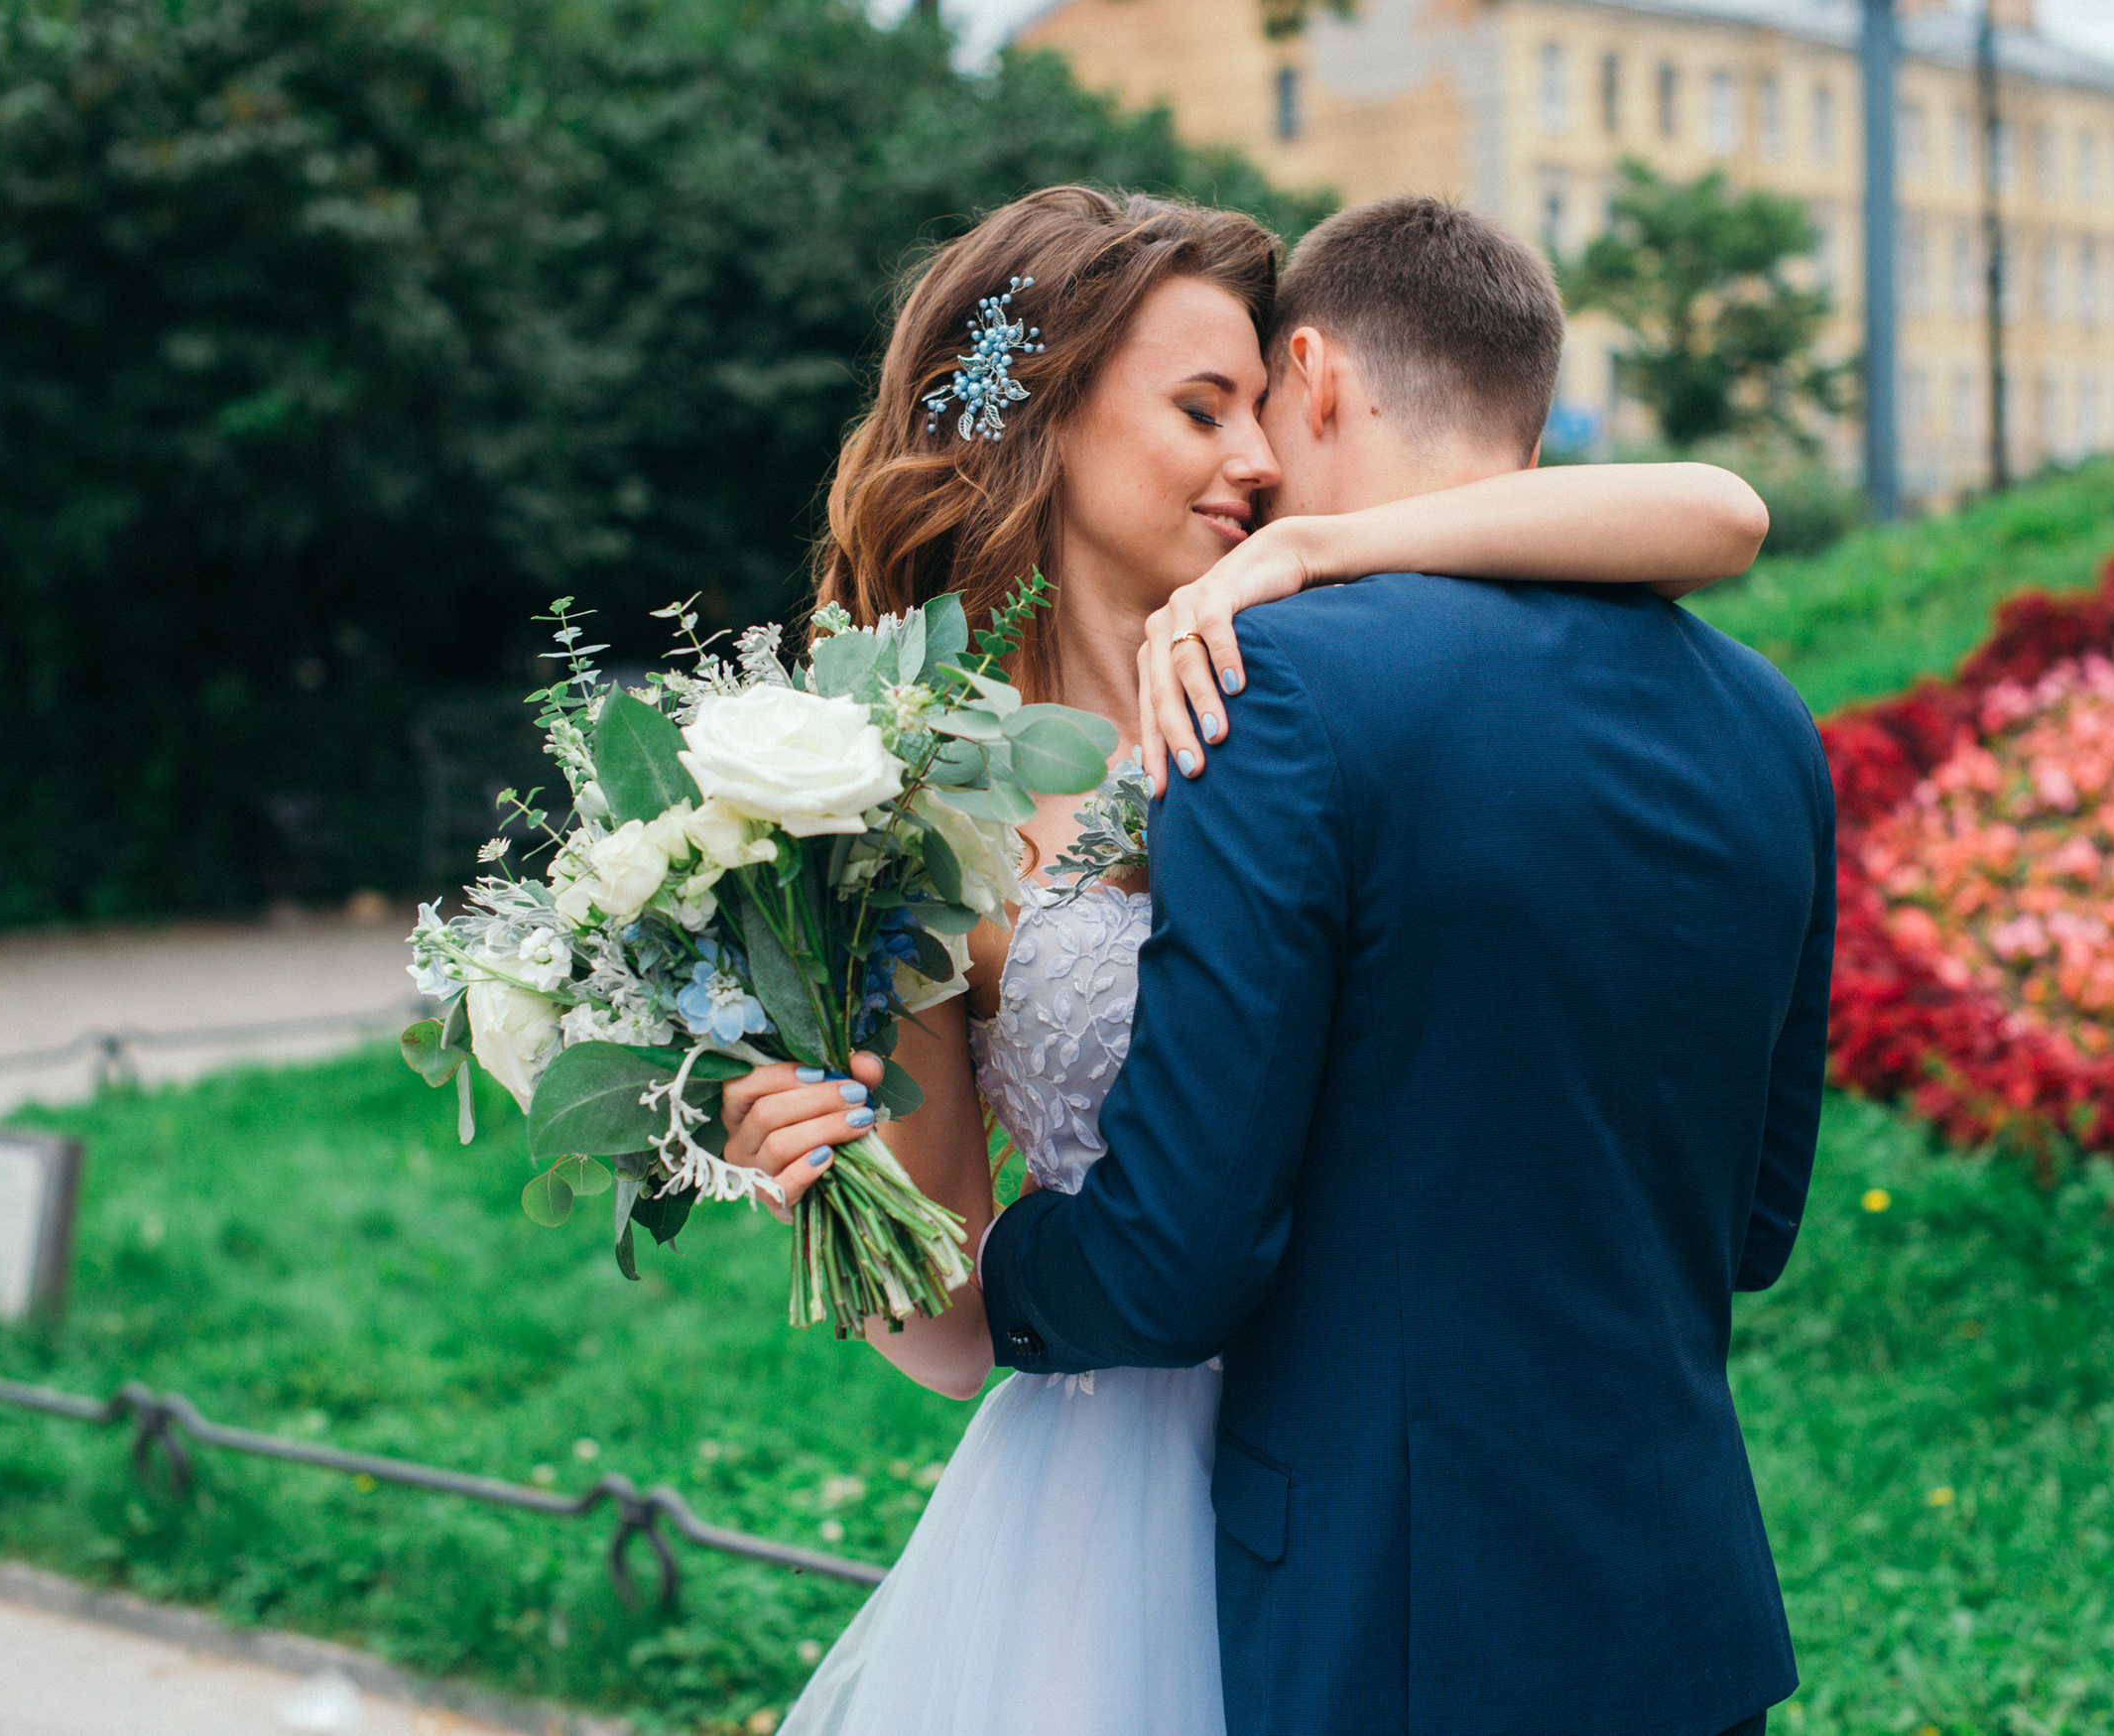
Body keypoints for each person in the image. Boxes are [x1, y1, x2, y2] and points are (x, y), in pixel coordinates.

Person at [709, 186, 1796, 1736]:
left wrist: (1319, 552)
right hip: (1116, 1504)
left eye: (1267, 408)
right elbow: (952, 1333)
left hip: (1383, 1484)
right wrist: (826, 1184)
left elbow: (1716, 514)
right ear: (1045, 421)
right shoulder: (916, 805)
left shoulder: (1301, 681)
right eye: (1202, 408)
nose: (1261, 460)